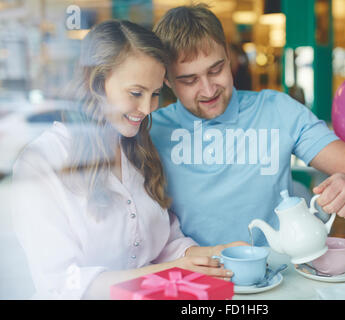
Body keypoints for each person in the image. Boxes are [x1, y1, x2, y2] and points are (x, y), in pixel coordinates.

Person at [12, 20, 244, 300]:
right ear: (96, 83)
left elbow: (164, 243)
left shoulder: (137, 149)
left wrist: (211, 254)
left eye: (155, 93)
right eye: (136, 93)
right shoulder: (41, 162)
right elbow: (62, 284)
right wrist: (169, 271)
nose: (147, 108)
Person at [150, 4, 345, 247]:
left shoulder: (277, 110)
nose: (209, 90)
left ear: (230, 58)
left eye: (216, 70)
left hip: (275, 275)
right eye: (189, 80)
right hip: (193, 278)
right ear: (166, 80)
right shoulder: (152, 130)